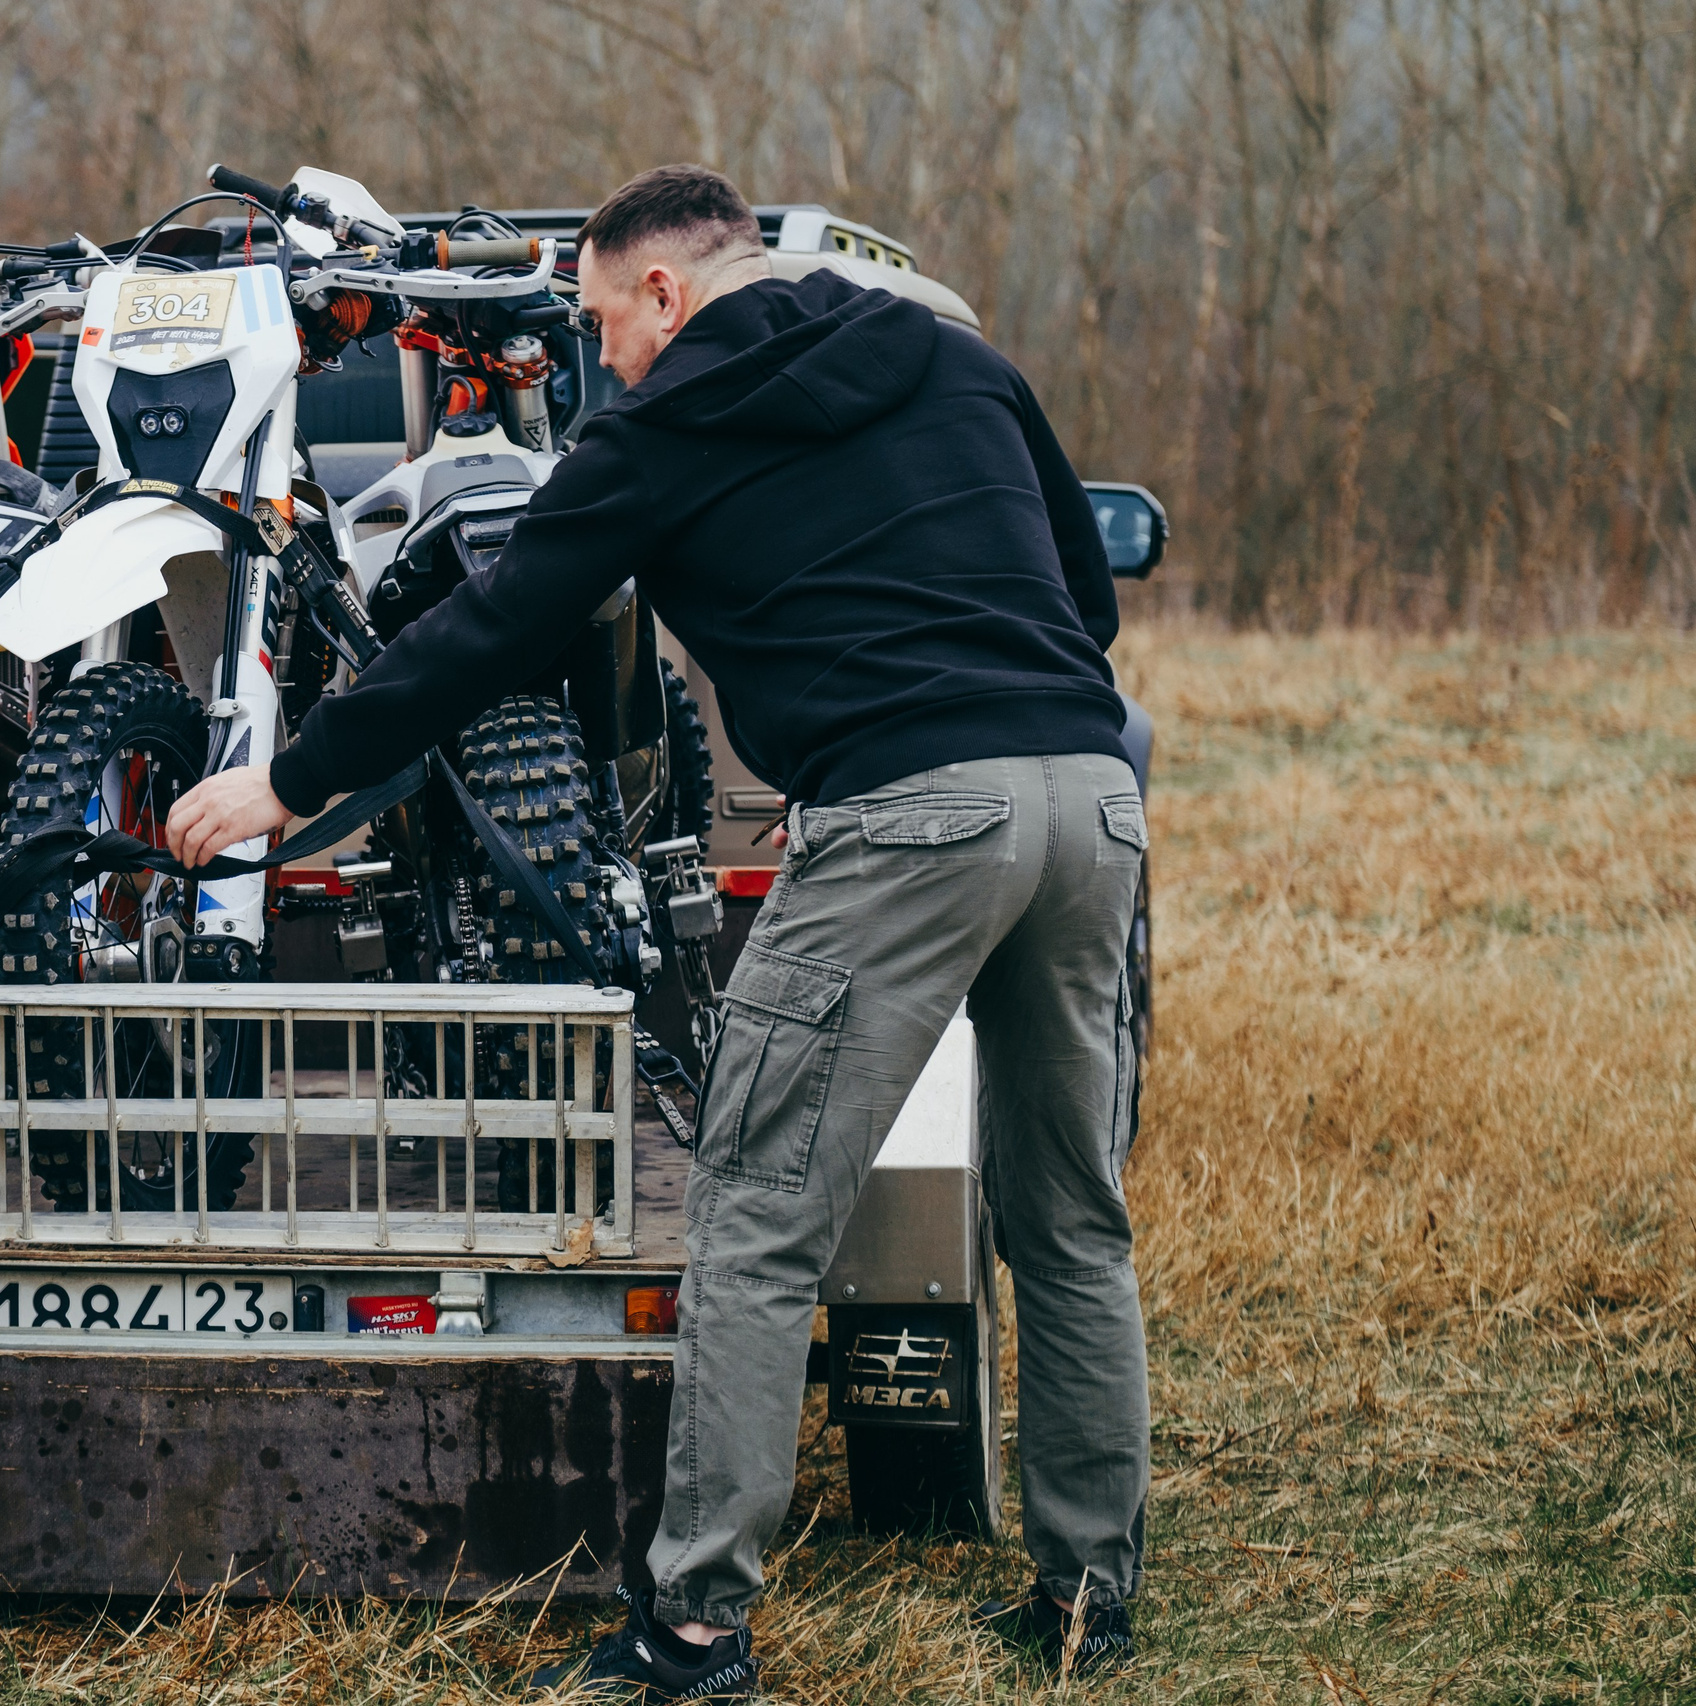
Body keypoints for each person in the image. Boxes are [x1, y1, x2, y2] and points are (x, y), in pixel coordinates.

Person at [165, 164, 1149, 1694]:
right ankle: (1092, 1597)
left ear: (667, 293)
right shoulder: (964, 361)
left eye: (601, 317)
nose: (597, 352)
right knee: (1070, 1209)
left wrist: (290, 783)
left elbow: (497, 628)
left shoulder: (666, 418)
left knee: (756, 1218)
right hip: (1092, 800)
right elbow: (1086, 597)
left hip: (906, 816)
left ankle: (691, 1625)